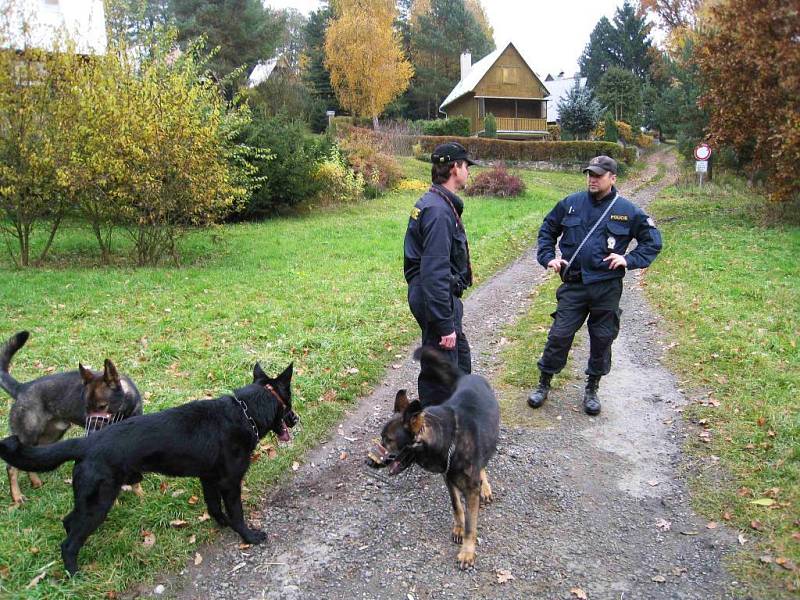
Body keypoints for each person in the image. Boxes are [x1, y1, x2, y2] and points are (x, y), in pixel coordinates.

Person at [528, 155, 662, 415]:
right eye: (590, 174)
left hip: (606, 287)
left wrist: (629, 259)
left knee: (602, 339)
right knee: (559, 335)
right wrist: (548, 257)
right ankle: (544, 383)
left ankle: (592, 388)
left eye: (598, 175)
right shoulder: (570, 204)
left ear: (612, 178)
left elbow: (652, 241)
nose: (592, 178)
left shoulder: (628, 210)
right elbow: (547, 230)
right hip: (574, 284)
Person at [403, 141, 475, 403]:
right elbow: (434, 271)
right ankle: (433, 433)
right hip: (434, 296)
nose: (468, 171)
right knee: (440, 371)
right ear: (455, 168)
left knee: (459, 360)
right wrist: (444, 324)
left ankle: (457, 416)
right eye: (466, 165)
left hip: (435, 295)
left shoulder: (435, 203)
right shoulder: (438, 211)